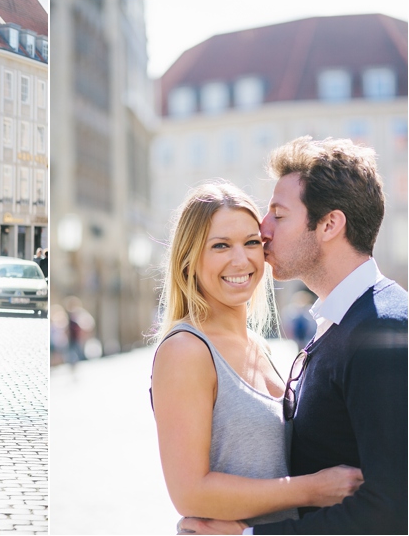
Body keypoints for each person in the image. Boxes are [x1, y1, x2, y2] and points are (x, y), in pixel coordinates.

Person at [181, 137, 408, 535]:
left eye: (278, 215)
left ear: (329, 225)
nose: (262, 230)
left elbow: (392, 511)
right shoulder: (340, 320)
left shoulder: (383, 330)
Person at [151, 182, 364, 529]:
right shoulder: (186, 351)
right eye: (220, 245)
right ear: (189, 260)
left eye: (252, 242)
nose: (241, 259)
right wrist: (311, 490)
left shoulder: (259, 346)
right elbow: (189, 493)